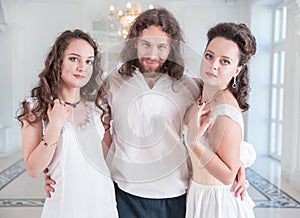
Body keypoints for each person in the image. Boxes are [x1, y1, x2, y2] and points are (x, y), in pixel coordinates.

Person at [44, 8, 249, 218]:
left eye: (161, 46)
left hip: (176, 194)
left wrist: (238, 163)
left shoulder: (190, 86)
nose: (152, 54)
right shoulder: (112, 83)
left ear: (172, 49)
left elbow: (220, 131)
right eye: (146, 44)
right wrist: (54, 167)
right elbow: (89, 128)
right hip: (123, 192)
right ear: (134, 44)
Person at [17, 29, 118, 218]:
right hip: (64, 204)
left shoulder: (99, 107)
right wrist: (55, 126)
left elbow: (105, 160)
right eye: (74, 59)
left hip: (101, 201)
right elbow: (33, 169)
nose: (83, 67)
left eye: (89, 61)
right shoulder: (36, 107)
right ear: (58, 62)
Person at [185, 22, 257, 218]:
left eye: (225, 61)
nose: (213, 65)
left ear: (237, 70)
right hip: (198, 194)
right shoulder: (204, 90)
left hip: (216, 204)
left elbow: (227, 175)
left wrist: (193, 143)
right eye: (209, 56)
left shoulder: (224, 111)